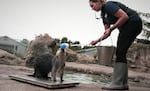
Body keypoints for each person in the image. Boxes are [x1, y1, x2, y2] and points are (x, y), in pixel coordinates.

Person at [89, 0, 142, 90]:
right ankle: (123, 83)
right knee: (121, 52)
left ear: (98, 1)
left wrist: (112, 28)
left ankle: (118, 83)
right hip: (130, 25)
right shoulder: (103, 14)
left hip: (133, 23)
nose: (92, 8)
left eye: (92, 5)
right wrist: (97, 41)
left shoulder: (109, 5)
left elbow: (124, 17)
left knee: (120, 52)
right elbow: (107, 32)